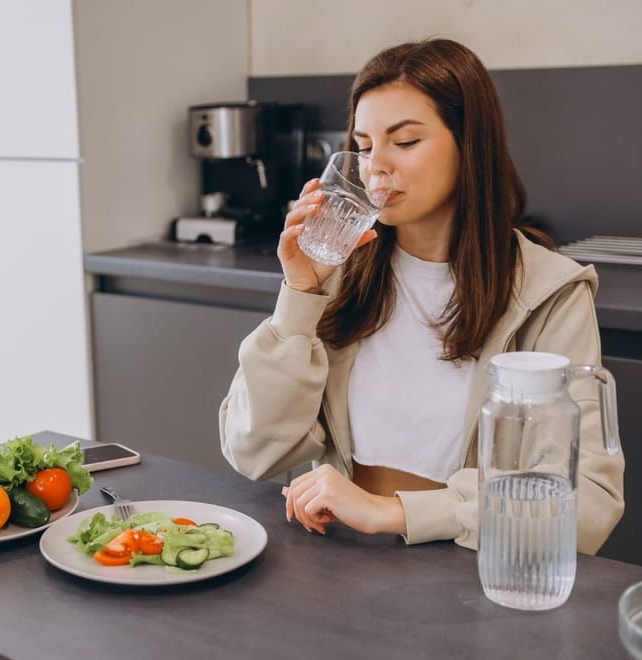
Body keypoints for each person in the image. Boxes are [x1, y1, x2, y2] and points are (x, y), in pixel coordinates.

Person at [218, 39, 624, 553]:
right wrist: (300, 293)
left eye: (404, 142)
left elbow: (586, 503)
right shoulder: (341, 277)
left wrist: (397, 511)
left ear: (469, 146)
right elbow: (252, 451)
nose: (375, 167)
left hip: (470, 575)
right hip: (338, 563)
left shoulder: (549, 294)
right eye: (364, 147)